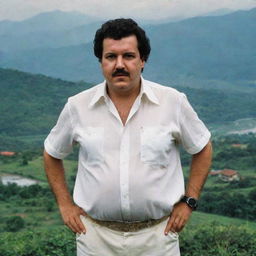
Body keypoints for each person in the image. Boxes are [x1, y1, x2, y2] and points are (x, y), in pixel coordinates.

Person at [44, 18, 212, 256]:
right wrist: (64, 204)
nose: (119, 65)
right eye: (111, 57)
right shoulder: (77, 106)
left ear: (142, 60)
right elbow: (52, 153)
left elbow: (203, 148)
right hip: (95, 238)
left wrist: (189, 202)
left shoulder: (172, 102)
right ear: (101, 62)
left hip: (158, 237)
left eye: (129, 56)